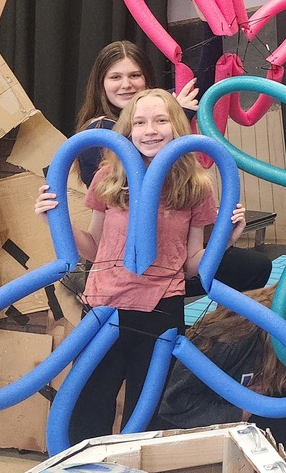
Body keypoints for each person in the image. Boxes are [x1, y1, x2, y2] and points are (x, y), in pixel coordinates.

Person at [35, 88, 248, 444]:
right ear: (127, 130)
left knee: (144, 413)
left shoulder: (196, 186)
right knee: (87, 407)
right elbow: (92, 248)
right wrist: (55, 221)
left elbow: (192, 265)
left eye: (161, 120)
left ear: (177, 126)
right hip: (105, 306)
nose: (150, 130)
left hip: (160, 311)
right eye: (140, 122)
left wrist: (226, 239)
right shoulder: (108, 178)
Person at [73, 39, 271, 296]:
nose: (126, 84)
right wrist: (177, 116)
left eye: (135, 75)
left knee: (253, 267)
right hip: (120, 264)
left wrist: (208, 24)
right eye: (115, 77)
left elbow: (201, 84)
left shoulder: (164, 123)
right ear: (101, 83)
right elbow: (141, 166)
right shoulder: (100, 133)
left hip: (168, 256)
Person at [158, 264, 286, 452]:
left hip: (236, 415)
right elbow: (174, 403)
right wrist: (243, 410)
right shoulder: (240, 333)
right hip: (187, 422)